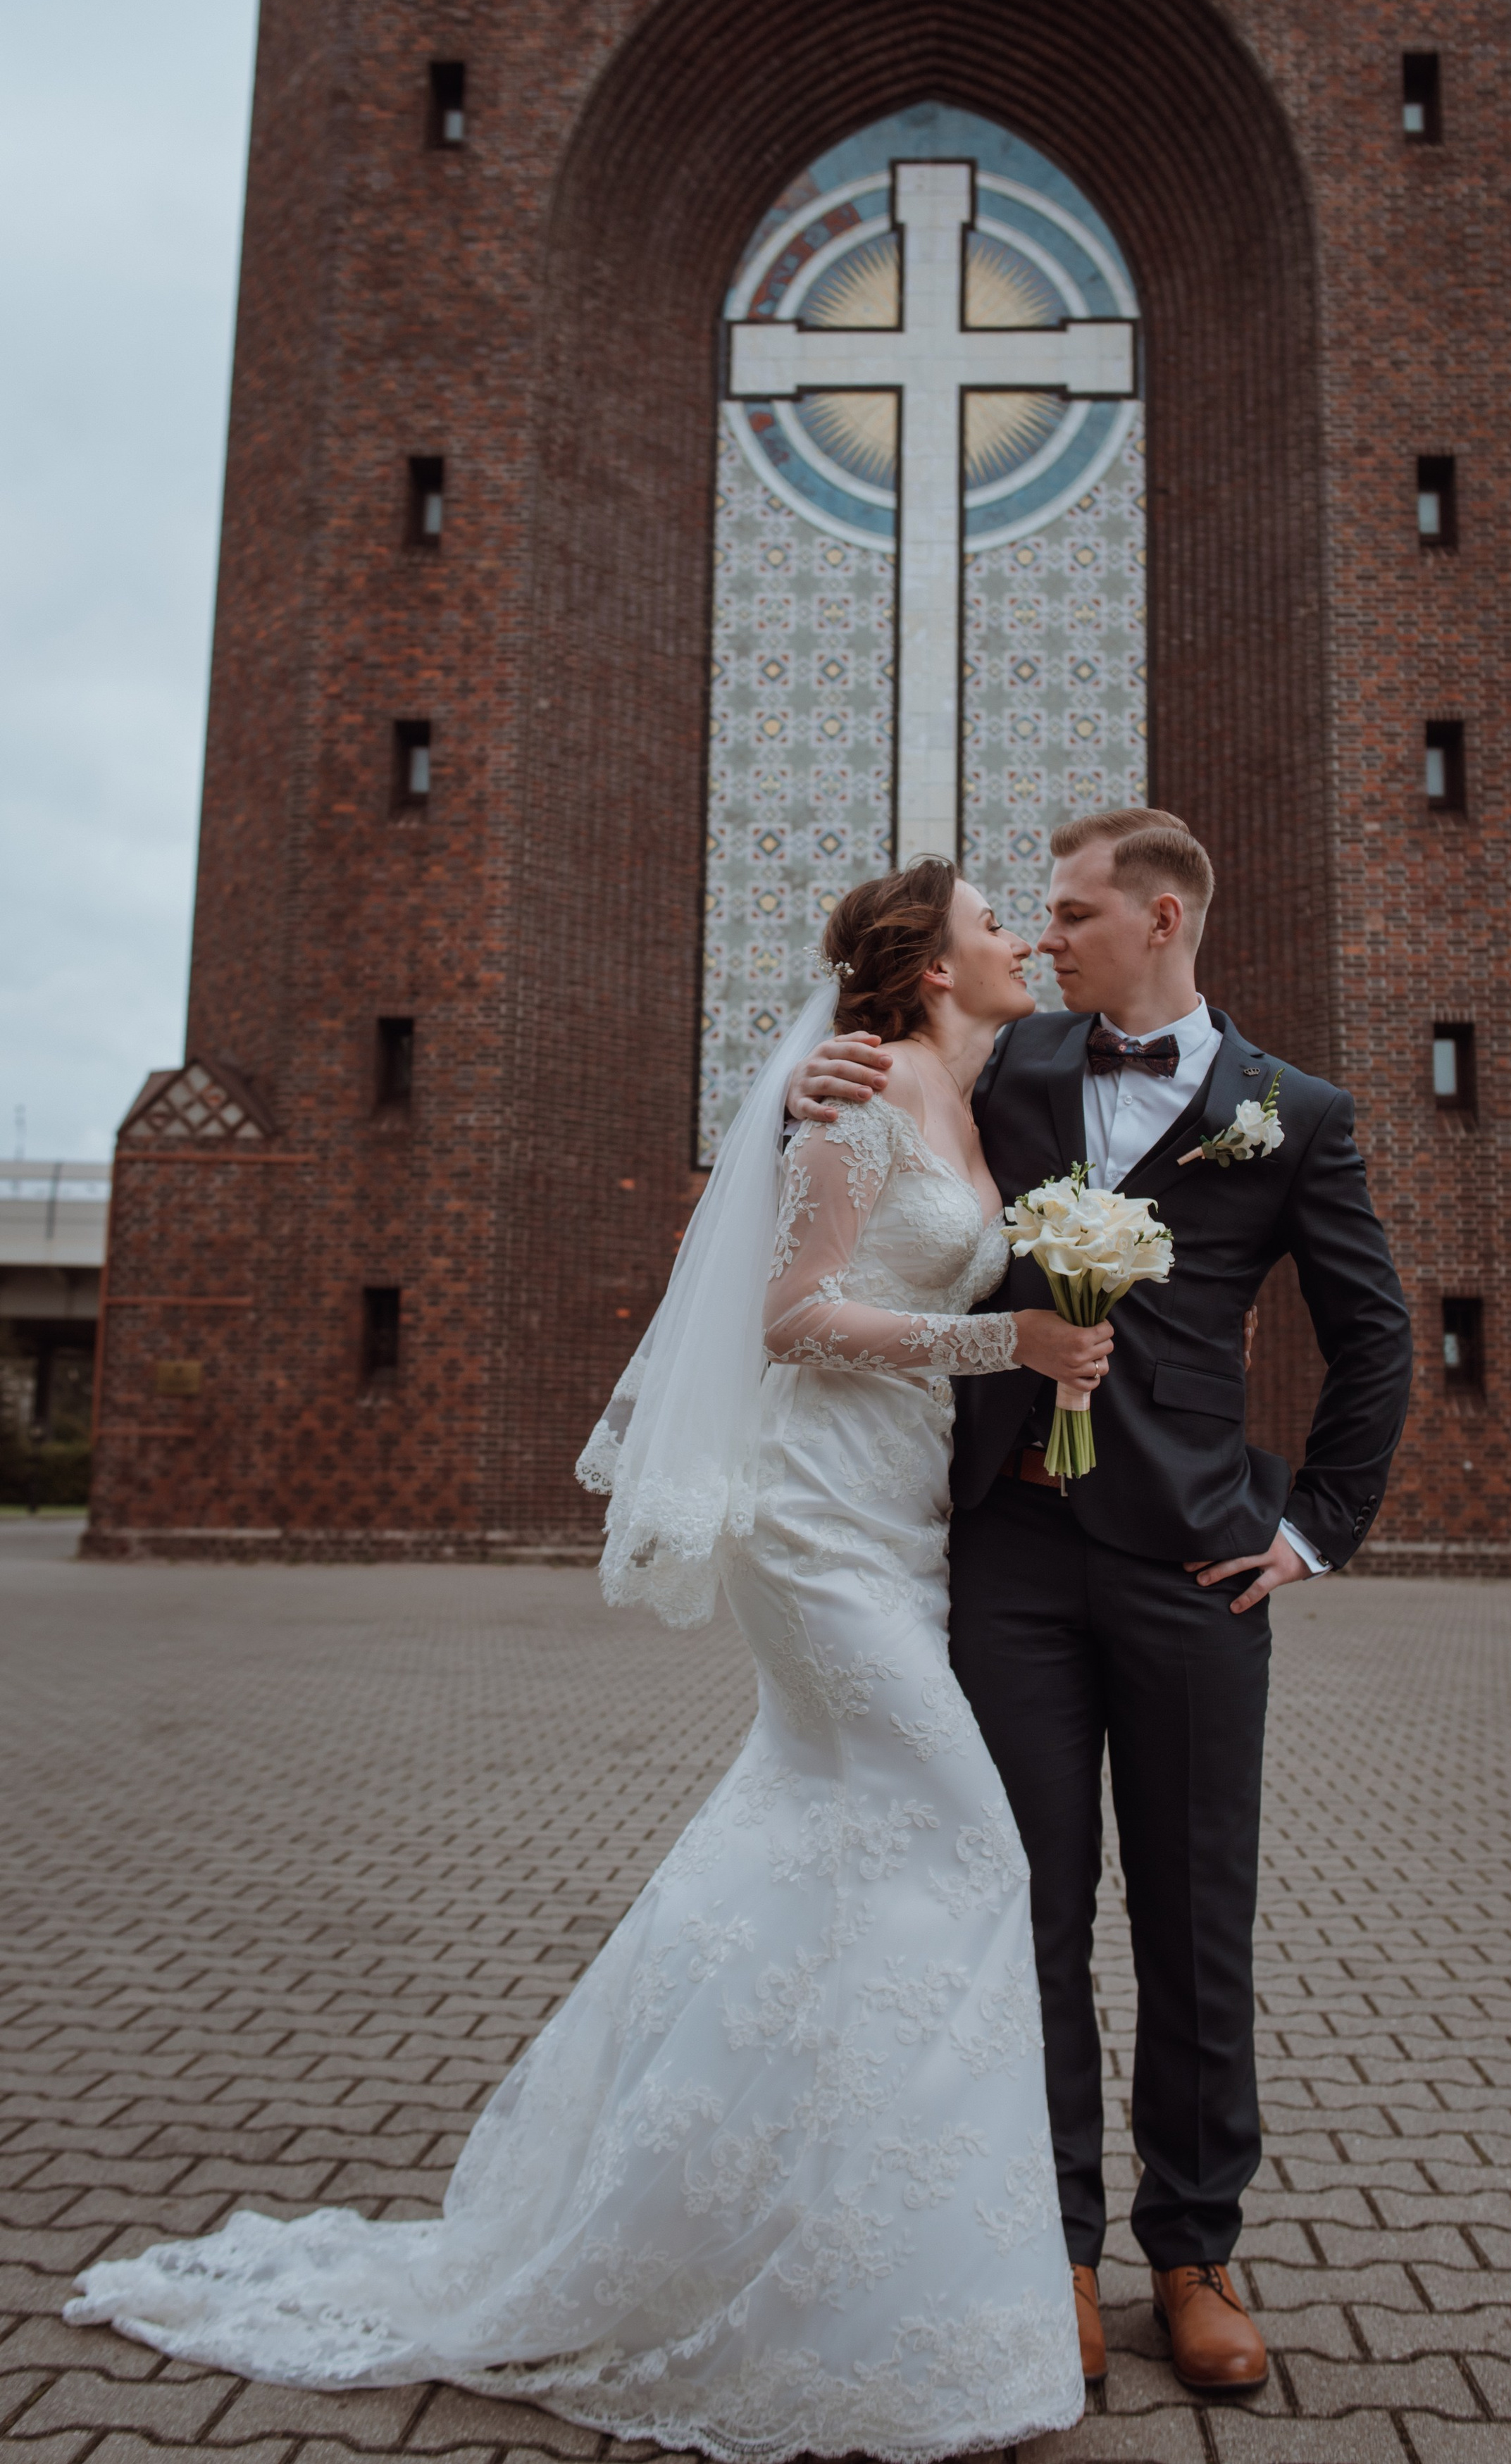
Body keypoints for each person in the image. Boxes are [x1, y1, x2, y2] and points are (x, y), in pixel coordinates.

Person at [65, 860, 1102, 2463]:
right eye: (995, 919)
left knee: (821, 1848)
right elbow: (788, 1312)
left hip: (902, 1523)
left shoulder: (976, 1086)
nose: (1024, 936)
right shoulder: (859, 1095)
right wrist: (1001, 1342)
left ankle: (777, 2231)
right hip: (812, 1527)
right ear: (929, 958)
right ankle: (897, 2284)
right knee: (963, 1844)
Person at [788, 808, 1414, 2394]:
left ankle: (1191, 2251)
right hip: (1005, 1556)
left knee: (1196, 1922)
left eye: (1070, 911)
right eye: (1037, 913)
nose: (1047, 934)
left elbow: (1374, 1337)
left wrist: (1312, 1530)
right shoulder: (1014, 1064)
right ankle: (1053, 2249)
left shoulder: (1298, 1114)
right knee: (1033, 1914)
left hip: (1198, 1567)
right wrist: (815, 1084)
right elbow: (884, 1117)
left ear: (1159, 918)